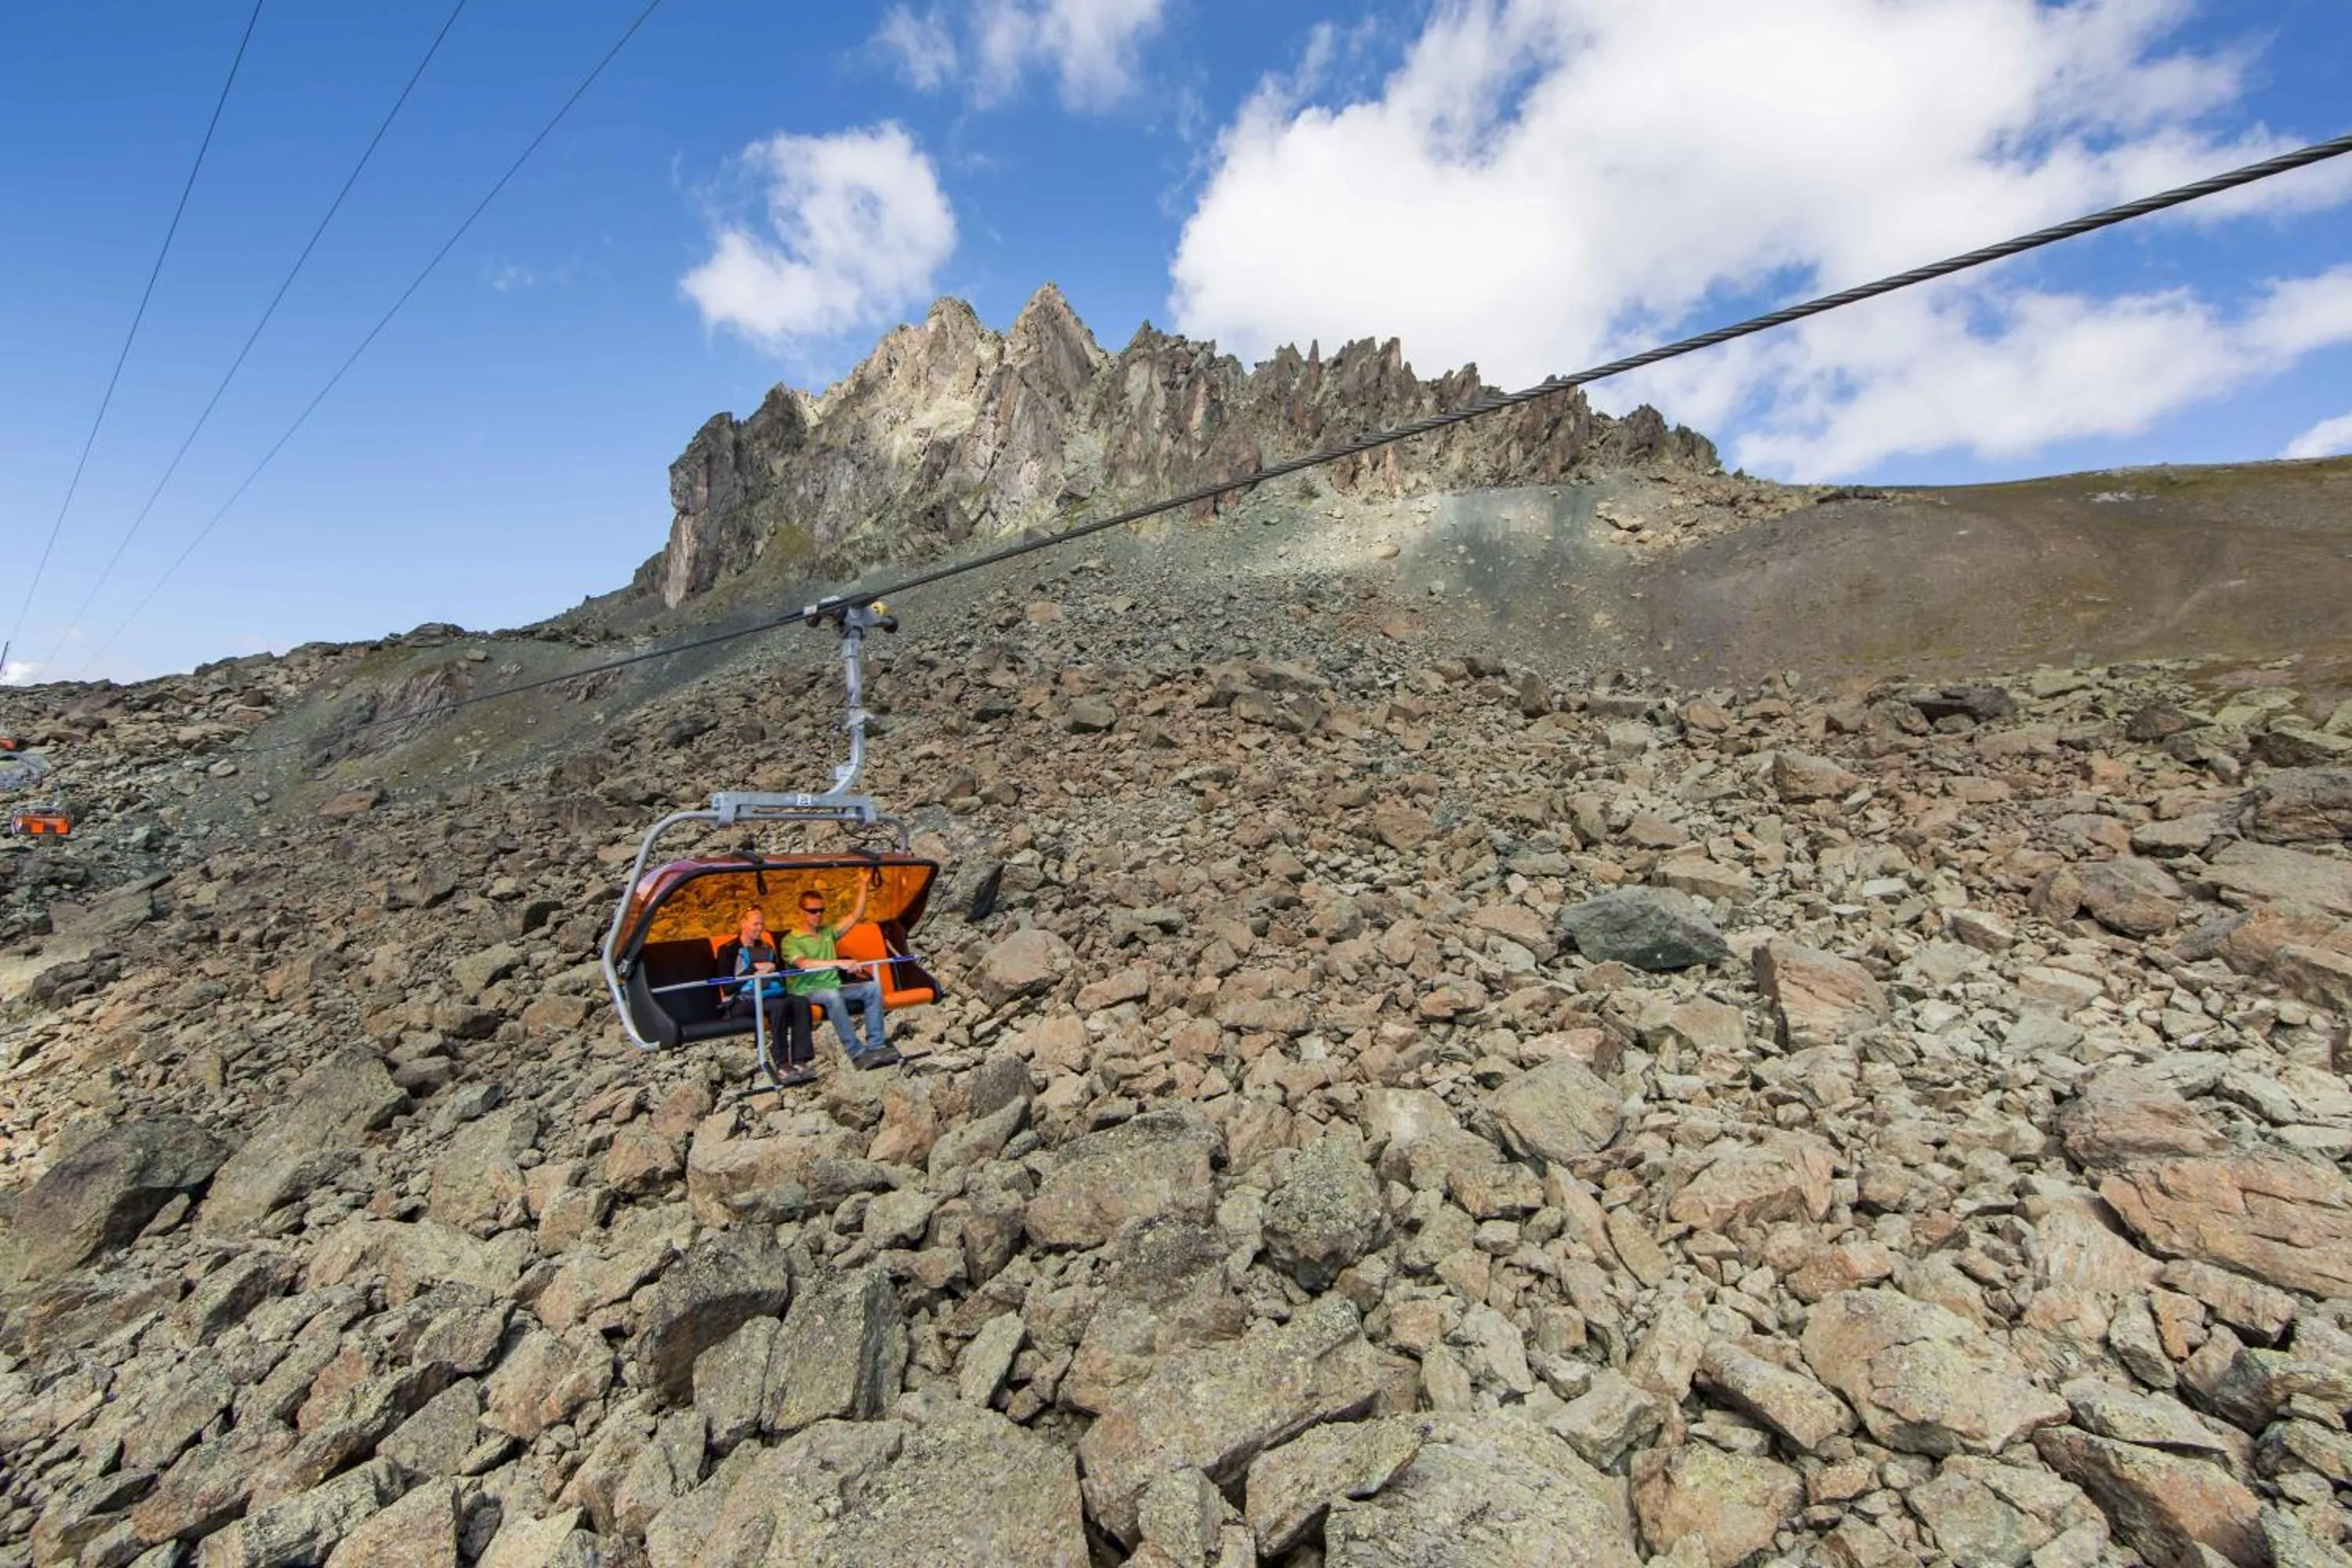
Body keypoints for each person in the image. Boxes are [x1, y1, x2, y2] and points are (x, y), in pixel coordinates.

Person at [784, 878, 898, 1068]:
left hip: (832, 986)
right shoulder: (791, 940)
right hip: (807, 990)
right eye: (813, 911)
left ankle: (876, 1046)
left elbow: (855, 916)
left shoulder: (827, 933)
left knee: (872, 988)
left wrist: (863, 884)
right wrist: (839, 963)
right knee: (832, 996)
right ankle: (856, 1053)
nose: (818, 915)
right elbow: (803, 963)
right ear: (801, 912)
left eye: (821, 910)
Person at [726, 907, 816, 1087]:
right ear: (743, 924)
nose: (760, 928)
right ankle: (782, 1064)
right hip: (742, 1000)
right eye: (755, 924)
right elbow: (727, 987)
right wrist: (753, 970)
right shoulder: (728, 950)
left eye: (762, 924)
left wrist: (773, 968)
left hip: (769, 994)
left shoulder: (767, 948)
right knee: (778, 1006)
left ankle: (800, 1060)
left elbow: (780, 976)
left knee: (800, 1002)